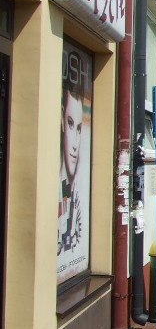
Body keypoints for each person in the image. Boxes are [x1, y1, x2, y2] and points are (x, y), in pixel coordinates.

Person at [58, 57, 87, 255]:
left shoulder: (77, 193)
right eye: (70, 123)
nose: (76, 145)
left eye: (79, 128)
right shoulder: (57, 185)